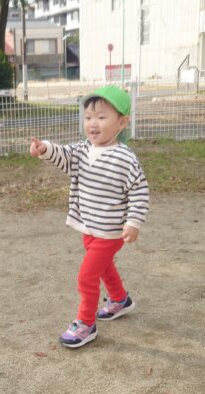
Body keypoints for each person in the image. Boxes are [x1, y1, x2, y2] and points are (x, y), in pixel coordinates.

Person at [29, 85, 149, 348]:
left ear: (122, 122)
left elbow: (139, 190)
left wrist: (133, 222)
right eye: (88, 117)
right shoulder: (83, 149)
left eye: (101, 117)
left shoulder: (124, 158)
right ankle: (119, 299)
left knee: (87, 276)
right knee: (103, 267)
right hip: (88, 226)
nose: (93, 123)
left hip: (110, 231)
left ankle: (86, 324)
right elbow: (64, 155)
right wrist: (45, 148)